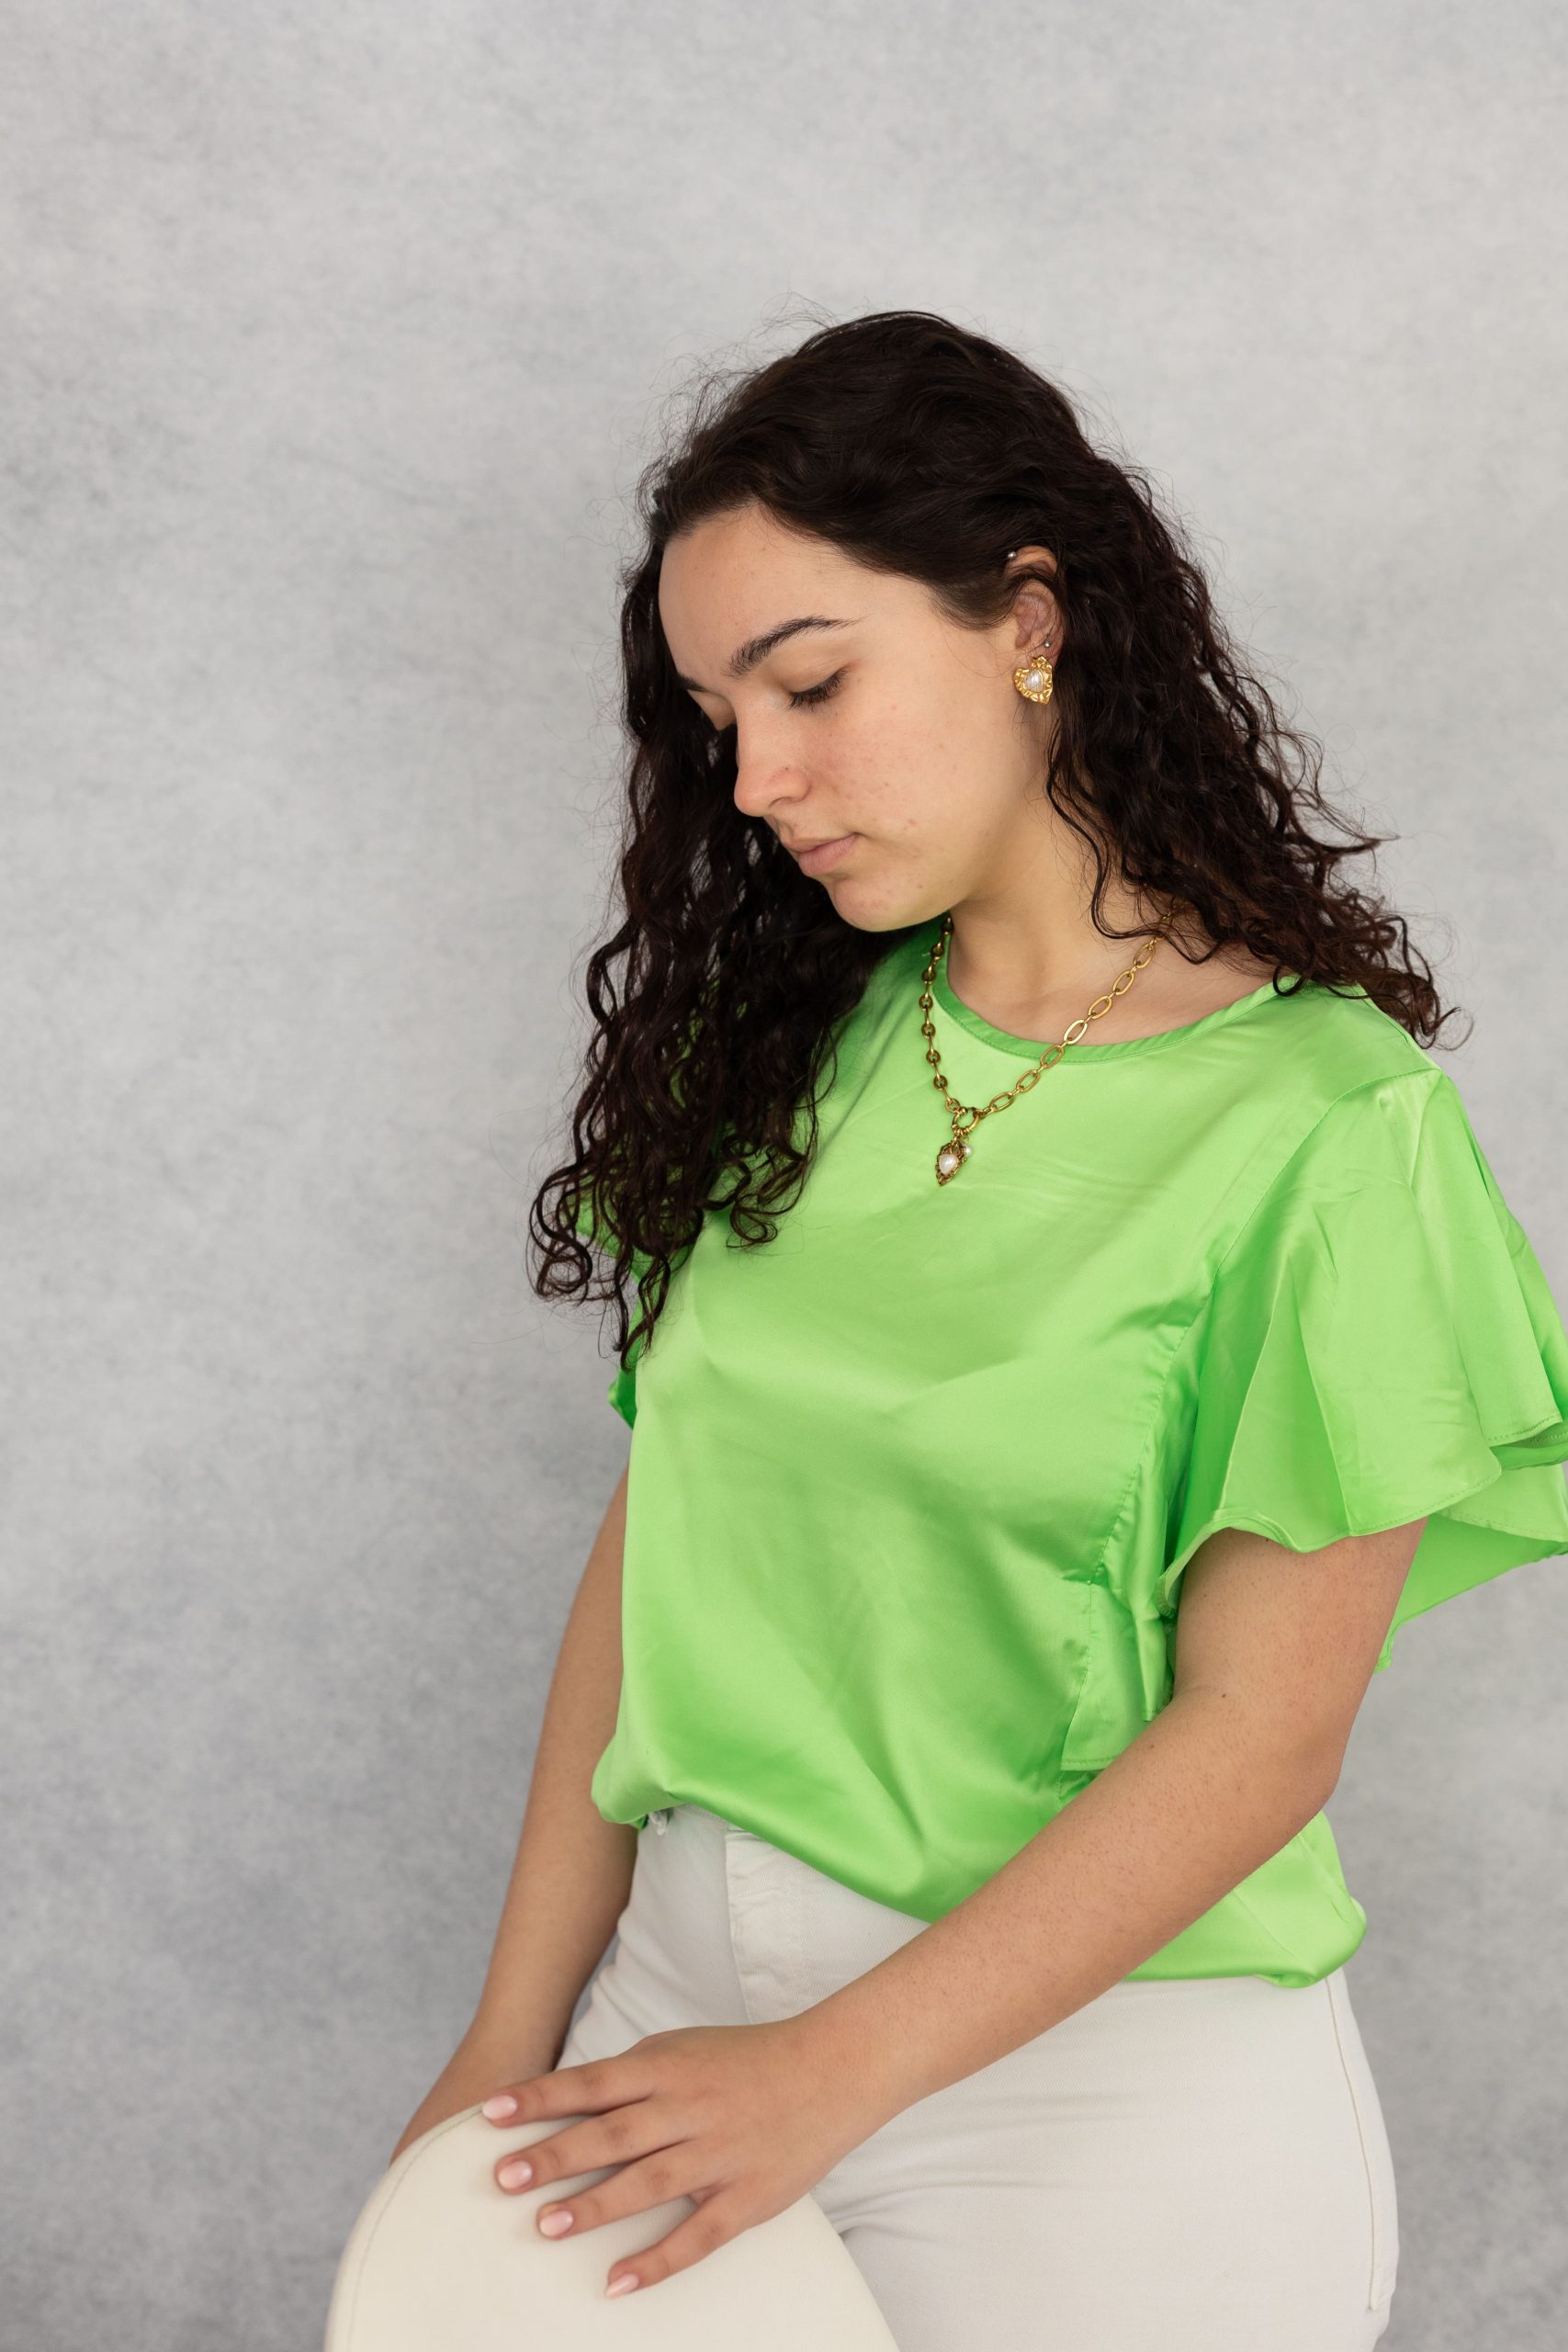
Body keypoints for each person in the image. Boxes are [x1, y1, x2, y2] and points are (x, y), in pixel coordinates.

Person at [388, 311, 1568, 2349]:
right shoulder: (801, 1040)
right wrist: (507, 2039)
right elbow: (665, 1540)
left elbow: (1262, 1734)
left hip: (1092, 2106)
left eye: (812, 684)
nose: (757, 779)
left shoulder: (1329, 1128)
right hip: (672, 2016)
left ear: (1028, 623)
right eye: (715, 718)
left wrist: (826, 2072)